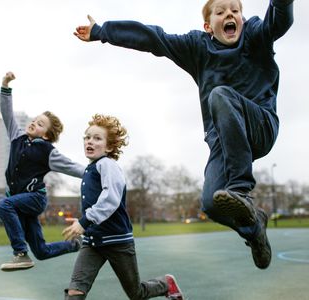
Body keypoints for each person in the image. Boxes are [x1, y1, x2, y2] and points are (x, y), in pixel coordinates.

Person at [73, 0, 294, 270]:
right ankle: (254, 230)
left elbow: (279, 20)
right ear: (208, 26)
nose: (230, 15)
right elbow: (154, 38)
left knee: (220, 95)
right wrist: (102, 31)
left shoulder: (255, 35)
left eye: (235, 11)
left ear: (243, 19)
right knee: (212, 203)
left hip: (261, 126)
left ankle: (241, 189)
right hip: (223, 142)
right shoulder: (197, 47)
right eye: (221, 12)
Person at [62, 114, 183, 299]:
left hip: (117, 240)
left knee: (136, 293)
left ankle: (166, 284)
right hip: (93, 241)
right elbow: (72, 171)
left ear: (109, 146)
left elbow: (111, 198)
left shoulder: (108, 165)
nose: (90, 141)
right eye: (87, 137)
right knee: (75, 291)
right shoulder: (89, 169)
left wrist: (84, 221)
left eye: (97, 138)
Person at [0, 72, 85, 271]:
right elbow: (7, 113)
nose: (35, 122)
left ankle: (20, 253)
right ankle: (76, 244)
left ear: (46, 135)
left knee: (3, 205)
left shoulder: (47, 151)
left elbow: (71, 166)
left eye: (40, 123)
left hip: (35, 198)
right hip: (20, 201)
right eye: (35, 119)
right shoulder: (16, 137)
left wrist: (96, 171)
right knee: (42, 251)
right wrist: (5, 85)